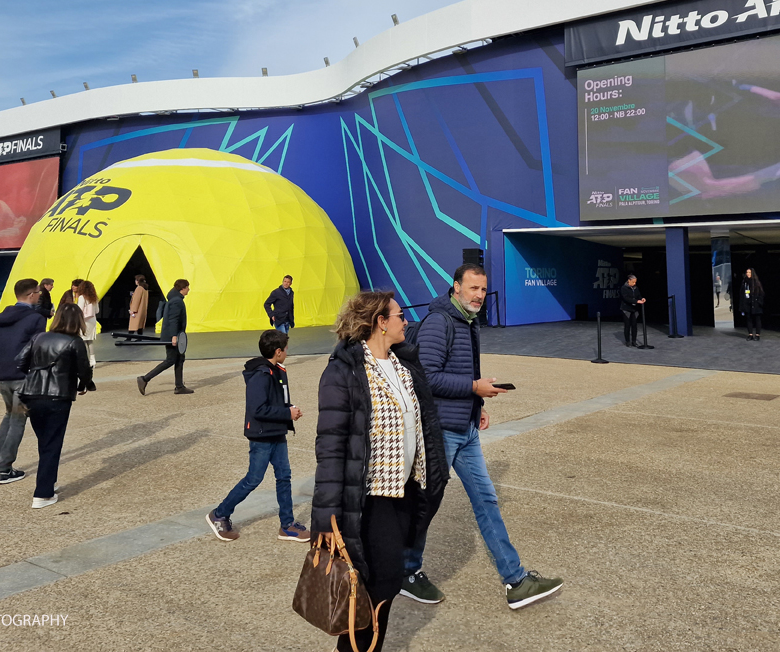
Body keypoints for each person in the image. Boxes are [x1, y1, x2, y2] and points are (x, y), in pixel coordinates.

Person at [401, 264, 564, 611]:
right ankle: (406, 571)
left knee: (486, 501)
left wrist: (477, 404)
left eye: (482, 289)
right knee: (426, 505)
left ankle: (516, 581)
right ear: (456, 286)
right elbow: (427, 378)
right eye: (472, 288)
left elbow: (462, 373)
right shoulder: (439, 322)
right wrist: (474, 388)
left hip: (466, 429)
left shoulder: (468, 321)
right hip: (442, 431)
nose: (478, 295)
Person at [312, 291, 448, 652]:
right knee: (376, 583)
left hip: (405, 491)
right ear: (380, 323)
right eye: (399, 316)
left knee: (382, 585)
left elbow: (425, 426)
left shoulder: (405, 366)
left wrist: (435, 476)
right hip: (369, 497)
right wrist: (326, 515)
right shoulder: (344, 372)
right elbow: (331, 444)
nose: (406, 322)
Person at [206, 329, 309, 542]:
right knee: (253, 479)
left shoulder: (276, 371)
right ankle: (220, 513)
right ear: (278, 351)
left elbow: (275, 401)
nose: (288, 352)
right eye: (286, 349)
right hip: (262, 435)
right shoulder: (261, 375)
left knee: (284, 477)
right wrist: (286, 413)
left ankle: (287, 525)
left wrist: (290, 408)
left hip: (277, 432)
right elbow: (257, 409)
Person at [19, 302, 93, 508]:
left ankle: (49, 482)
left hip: (32, 394)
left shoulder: (38, 337)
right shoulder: (75, 341)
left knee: (45, 441)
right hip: (58, 396)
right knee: (52, 443)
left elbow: (20, 362)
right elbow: (84, 370)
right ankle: (42, 494)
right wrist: (84, 384)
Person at [0, 278, 47, 484]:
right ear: (31, 295)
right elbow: (39, 349)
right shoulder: (36, 318)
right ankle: (5, 469)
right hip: (23, 377)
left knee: (9, 416)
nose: (40, 295)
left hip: (2, 376)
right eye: (38, 292)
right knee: (18, 420)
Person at [137, 279, 193, 395]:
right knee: (170, 360)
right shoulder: (177, 301)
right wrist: (174, 336)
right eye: (188, 287)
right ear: (183, 288)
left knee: (179, 359)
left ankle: (179, 386)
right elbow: (174, 320)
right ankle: (145, 378)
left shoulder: (173, 299)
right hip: (174, 336)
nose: (189, 290)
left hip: (176, 335)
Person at [76, 280, 99, 368]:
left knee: (83, 340)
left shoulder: (82, 297)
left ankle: (84, 360)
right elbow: (97, 311)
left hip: (84, 320)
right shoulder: (94, 297)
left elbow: (79, 310)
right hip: (92, 320)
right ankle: (92, 360)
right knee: (90, 340)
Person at [619, 274, 645, 348]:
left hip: (634, 309)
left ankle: (634, 341)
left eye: (635, 282)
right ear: (629, 281)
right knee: (627, 325)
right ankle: (627, 341)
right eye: (633, 282)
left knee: (634, 325)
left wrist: (641, 298)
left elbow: (639, 295)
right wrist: (637, 301)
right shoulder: (624, 288)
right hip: (626, 309)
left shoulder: (636, 288)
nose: (634, 284)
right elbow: (626, 298)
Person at [739, 268, 764, 340]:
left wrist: (759, 302)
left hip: (756, 303)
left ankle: (757, 334)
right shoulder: (744, 282)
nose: (748, 274)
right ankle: (750, 334)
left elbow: (761, 293)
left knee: (757, 319)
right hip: (747, 303)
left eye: (749, 272)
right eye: (747, 272)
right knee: (749, 319)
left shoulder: (756, 282)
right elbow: (741, 293)